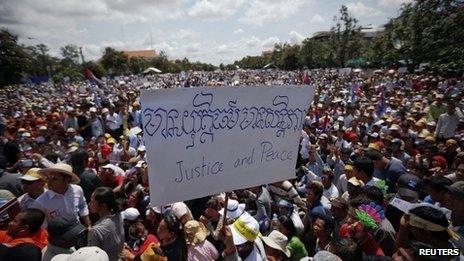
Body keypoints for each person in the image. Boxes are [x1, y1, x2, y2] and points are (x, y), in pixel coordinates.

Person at [32, 163, 90, 227]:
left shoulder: (77, 190)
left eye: (55, 179)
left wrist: (88, 224)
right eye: (48, 178)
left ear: (67, 179)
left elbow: (82, 206)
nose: (49, 182)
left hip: (78, 230)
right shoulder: (40, 202)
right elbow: (42, 226)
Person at [88, 186, 124, 261]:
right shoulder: (118, 215)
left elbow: (93, 257)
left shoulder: (96, 230)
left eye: (92, 201)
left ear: (103, 205)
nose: (89, 204)